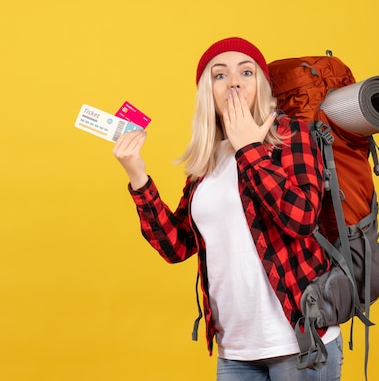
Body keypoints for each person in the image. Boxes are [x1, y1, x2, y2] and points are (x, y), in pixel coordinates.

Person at [112, 37, 343, 381]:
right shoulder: (206, 162)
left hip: (301, 345)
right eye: (219, 75)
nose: (233, 81)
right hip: (235, 352)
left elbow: (302, 219)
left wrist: (249, 147)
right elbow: (176, 247)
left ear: (261, 86)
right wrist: (138, 176)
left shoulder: (290, 135)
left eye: (245, 72)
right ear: (208, 91)